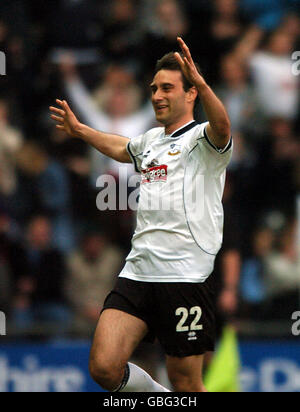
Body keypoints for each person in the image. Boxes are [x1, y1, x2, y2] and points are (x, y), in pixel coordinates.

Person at [50, 37, 232, 392]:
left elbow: (223, 127)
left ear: (191, 93)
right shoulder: (150, 141)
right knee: (103, 366)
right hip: (139, 270)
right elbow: (122, 147)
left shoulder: (203, 140)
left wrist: (204, 82)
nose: (156, 95)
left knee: (187, 384)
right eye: (153, 88)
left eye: (167, 88)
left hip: (186, 276)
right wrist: (80, 130)